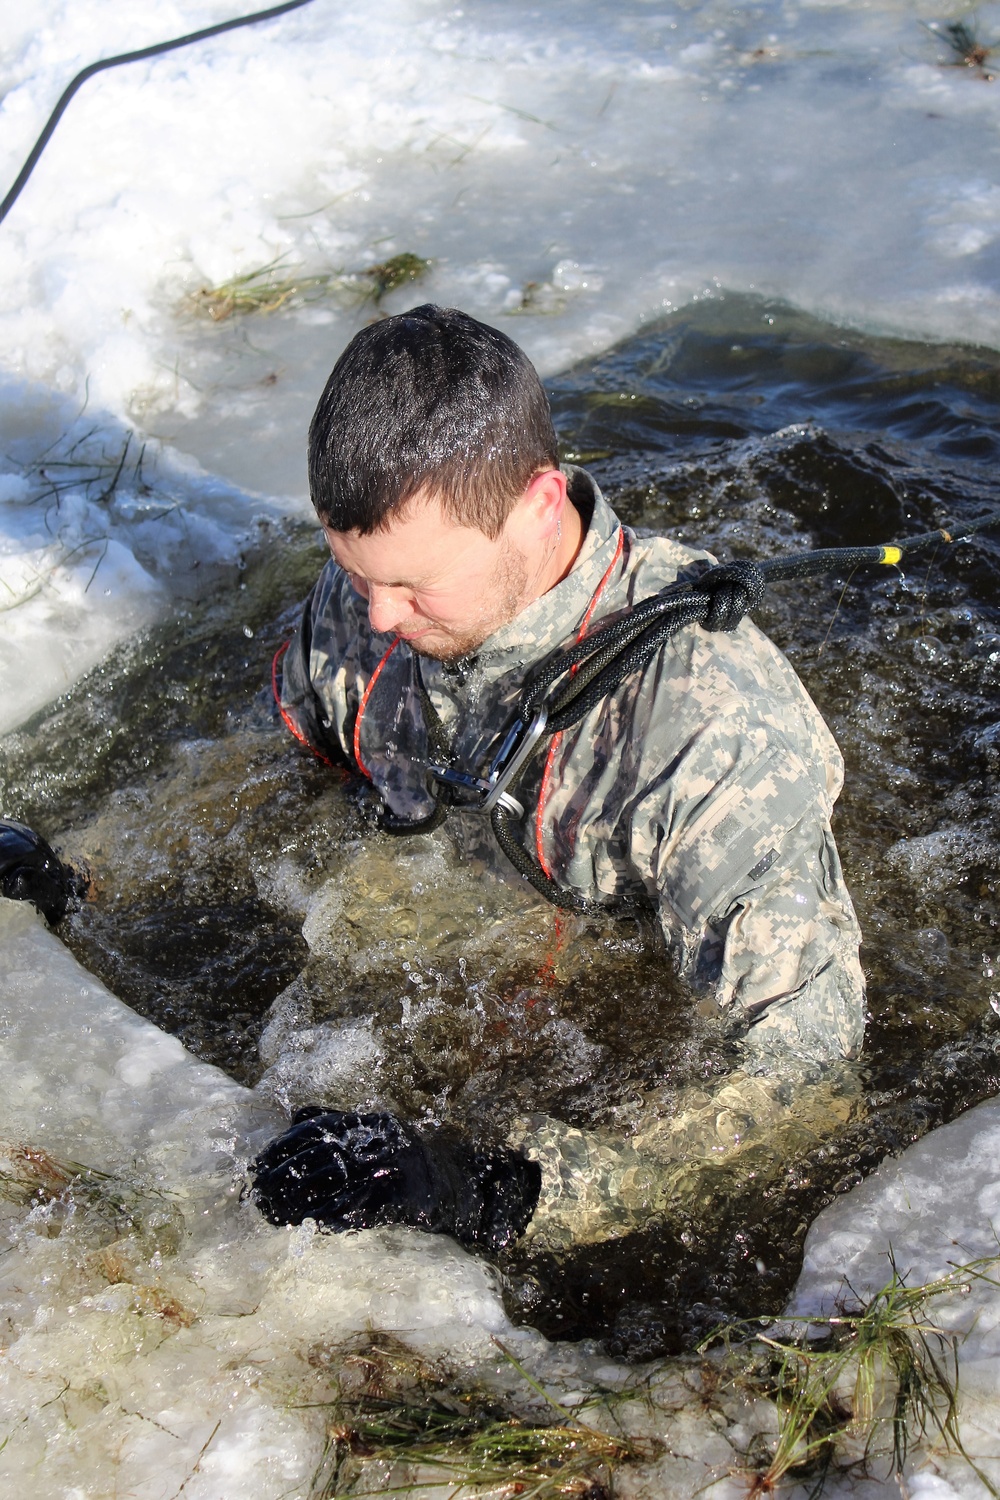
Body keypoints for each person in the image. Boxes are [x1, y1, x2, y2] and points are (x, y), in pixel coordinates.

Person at [247, 304, 866, 1249]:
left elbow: (808, 1074)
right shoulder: (377, 585)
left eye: (412, 585)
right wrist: (84, 881)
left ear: (538, 507)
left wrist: (483, 1191)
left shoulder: (711, 733)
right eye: (350, 568)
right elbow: (295, 767)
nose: (374, 616)